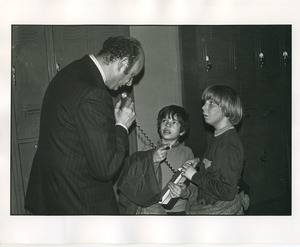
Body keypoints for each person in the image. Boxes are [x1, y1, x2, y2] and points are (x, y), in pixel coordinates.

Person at [24, 36, 145, 215]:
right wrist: (122, 126)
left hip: (51, 194)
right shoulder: (95, 93)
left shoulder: (72, 71)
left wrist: (105, 123)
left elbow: (75, 130)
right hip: (78, 202)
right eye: (131, 75)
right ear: (123, 62)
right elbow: (106, 169)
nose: (129, 84)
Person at [181, 85, 249, 215]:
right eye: (204, 103)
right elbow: (217, 165)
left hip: (221, 211)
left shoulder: (228, 144)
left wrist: (194, 176)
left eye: (211, 103)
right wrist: (199, 162)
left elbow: (227, 192)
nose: (203, 107)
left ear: (226, 109)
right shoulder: (219, 135)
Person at [117, 105, 195, 215]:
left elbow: (192, 185)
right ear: (159, 126)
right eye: (164, 120)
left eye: (174, 122)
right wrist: (152, 158)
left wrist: (184, 193)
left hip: (178, 210)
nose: (168, 125)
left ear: (182, 131)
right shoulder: (149, 149)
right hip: (151, 210)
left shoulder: (187, 152)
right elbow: (137, 177)